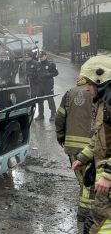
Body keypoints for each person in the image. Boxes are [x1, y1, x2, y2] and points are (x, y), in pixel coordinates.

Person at [71, 55, 111, 233]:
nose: (86, 89)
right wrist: (83, 157)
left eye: (89, 84)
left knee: (100, 227)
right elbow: (99, 138)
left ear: (101, 81)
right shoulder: (105, 103)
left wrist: (108, 175)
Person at [55, 77, 98, 222]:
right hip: (93, 147)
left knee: (83, 182)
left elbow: (60, 116)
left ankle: (85, 213)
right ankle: (86, 215)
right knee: (89, 183)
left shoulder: (69, 92)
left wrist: (60, 136)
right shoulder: (99, 92)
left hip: (73, 147)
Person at [35, 50, 58, 121]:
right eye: (40, 57)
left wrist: (49, 75)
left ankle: (53, 114)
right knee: (39, 100)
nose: (41, 58)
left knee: (50, 99)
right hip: (40, 85)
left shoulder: (50, 64)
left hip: (48, 85)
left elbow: (56, 73)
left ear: (45, 56)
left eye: (42, 57)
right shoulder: (38, 64)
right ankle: (41, 114)